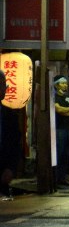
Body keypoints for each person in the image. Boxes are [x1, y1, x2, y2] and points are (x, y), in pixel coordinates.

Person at [53, 75, 69, 186]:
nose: (65, 85)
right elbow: (57, 109)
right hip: (60, 129)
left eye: (66, 83)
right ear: (56, 85)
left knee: (66, 154)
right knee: (59, 153)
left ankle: (62, 177)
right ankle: (55, 178)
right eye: (63, 83)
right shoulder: (54, 97)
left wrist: (65, 111)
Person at [0, 70, 22, 200]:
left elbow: (15, 144)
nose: (5, 88)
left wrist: (11, 168)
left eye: (4, 85)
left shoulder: (10, 115)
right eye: (2, 84)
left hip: (3, 172)